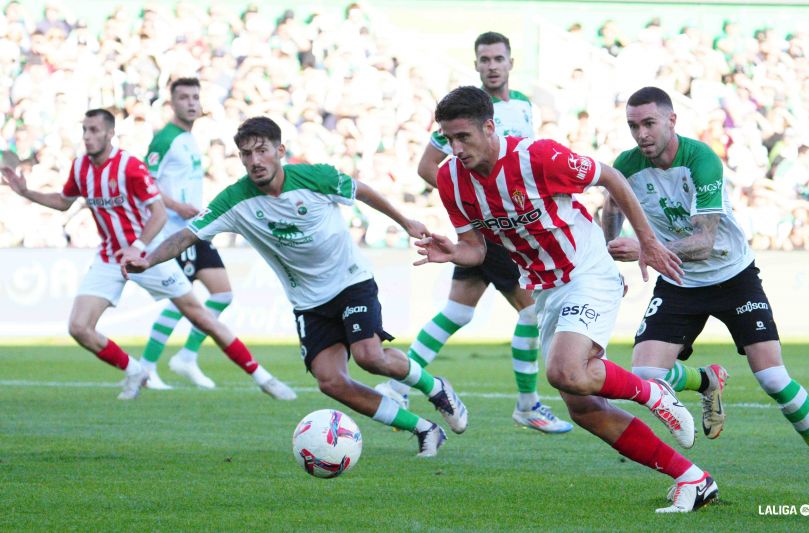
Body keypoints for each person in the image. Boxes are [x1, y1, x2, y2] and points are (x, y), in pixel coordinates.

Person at [416, 86, 717, 513]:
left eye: (464, 136)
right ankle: (693, 478)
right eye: (448, 138)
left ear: (489, 126)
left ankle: (654, 394)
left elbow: (609, 176)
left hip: (587, 271)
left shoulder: (537, 157)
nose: (456, 147)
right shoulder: (450, 178)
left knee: (565, 369)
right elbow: (477, 248)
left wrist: (646, 242)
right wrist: (453, 252)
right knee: (585, 408)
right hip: (545, 288)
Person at [123, 116, 468, 457]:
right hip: (307, 301)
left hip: (350, 281)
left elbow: (360, 190)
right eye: (246, 154)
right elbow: (187, 235)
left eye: (261, 151)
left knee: (369, 356)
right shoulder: (233, 200)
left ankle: (436, 389)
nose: (255, 161)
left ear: (280, 150)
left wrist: (405, 221)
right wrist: (147, 259)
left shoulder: (315, 177)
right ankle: (424, 429)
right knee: (330, 382)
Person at [601, 86, 809, 483]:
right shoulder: (626, 165)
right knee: (644, 373)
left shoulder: (701, 160)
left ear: (671, 120)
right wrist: (610, 253)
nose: (641, 133)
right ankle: (707, 379)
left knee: (773, 379)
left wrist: (646, 250)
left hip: (732, 275)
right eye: (633, 125)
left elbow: (704, 241)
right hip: (679, 280)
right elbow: (610, 207)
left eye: (649, 123)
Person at [0, 109, 295, 401]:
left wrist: (139, 247)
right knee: (78, 327)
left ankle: (263, 378)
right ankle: (135, 370)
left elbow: (158, 214)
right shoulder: (80, 168)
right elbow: (64, 202)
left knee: (201, 318)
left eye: (94, 130)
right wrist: (27, 193)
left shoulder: (129, 166)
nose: (88, 136)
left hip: (145, 255)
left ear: (109, 133)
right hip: (109, 258)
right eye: (85, 130)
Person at [377, 31, 571, 434]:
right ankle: (528, 404)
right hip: (493, 229)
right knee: (532, 311)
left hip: (500, 224)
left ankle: (397, 384)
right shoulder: (463, 113)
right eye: (484, 59)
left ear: (510, 62)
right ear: (477, 64)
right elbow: (428, 166)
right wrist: (473, 199)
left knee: (457, 312)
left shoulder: (521, 105)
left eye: (498, 58)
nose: (492, 65)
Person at [138, 77, 235, 390]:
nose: (192, 102)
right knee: (182, 299)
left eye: (195, 97)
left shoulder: (191, 138)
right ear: (173, 103)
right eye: (184, 97)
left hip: (195, 230)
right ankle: (146, 366)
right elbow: (145, 183)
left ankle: (187, 356)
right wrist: (177, 206)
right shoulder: (165, 139)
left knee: (222, 293)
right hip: (172, 233)